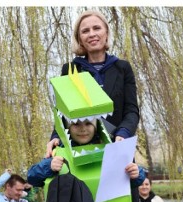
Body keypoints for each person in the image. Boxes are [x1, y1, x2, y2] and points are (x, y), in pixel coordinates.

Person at [44, 9, 139, 157]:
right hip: (80, 150)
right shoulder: (71, 69)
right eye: (85, 31)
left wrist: (123, 133)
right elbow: (63, 113)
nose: (92, 34)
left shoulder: (122, 68)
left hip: (116, 145)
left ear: (106, 33)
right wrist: (56, 137)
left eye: (97, 28)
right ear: (80, 39)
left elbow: (131, 110)